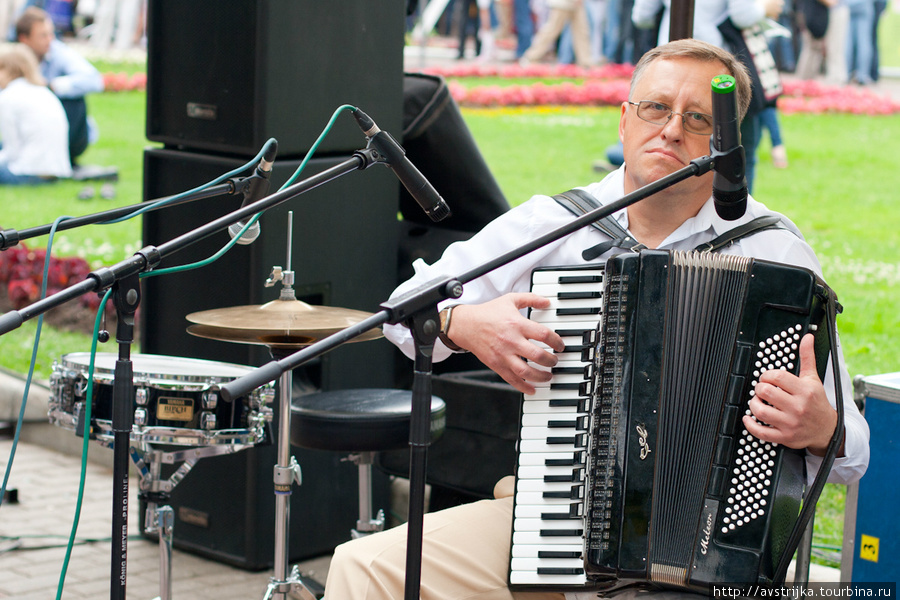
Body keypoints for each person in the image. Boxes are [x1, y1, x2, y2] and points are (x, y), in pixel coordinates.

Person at [323, 39, 869, 600]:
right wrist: (463, 323)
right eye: (656, 108)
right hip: (554, 526)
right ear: (625, 121)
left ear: (728, 144)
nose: (672, 130)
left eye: (698, 119)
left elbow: (855, 451)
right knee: (365, 567)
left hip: (713, 561)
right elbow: (405, 309)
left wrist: (822, 428)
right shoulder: (554, 224)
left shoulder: (775, 254)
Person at [15, 6, 104, 167]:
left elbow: (93, 80)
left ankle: (60, 159)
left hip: (65, 133)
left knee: (75, 99)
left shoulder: (58, 52)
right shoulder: (12, 60)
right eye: (43, 36)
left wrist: (50, 87)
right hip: (25, 131)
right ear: (24, 39)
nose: (50, 39)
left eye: (51, 33)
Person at [0, 43, 72, 184]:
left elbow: (12, 152)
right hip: (56, 172)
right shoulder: (43, 91)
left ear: (7, 70)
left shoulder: (7, 97)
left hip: (28, 172)